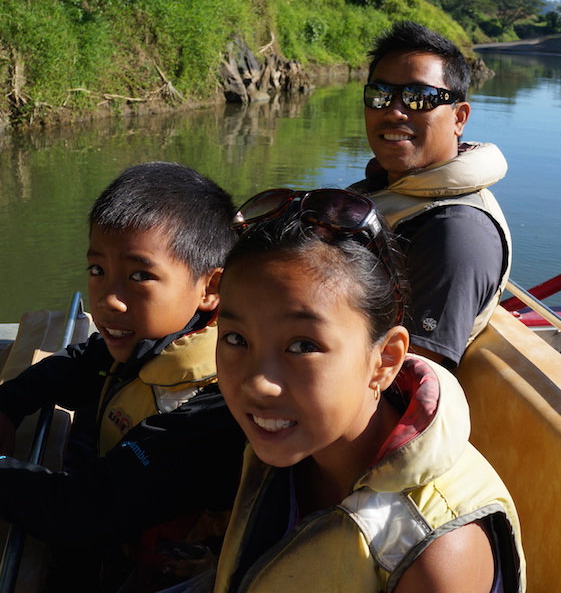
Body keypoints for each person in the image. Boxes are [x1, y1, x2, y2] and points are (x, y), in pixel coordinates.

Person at [0, 162, 247, 590]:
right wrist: (3, 406)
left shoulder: (213, 407)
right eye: (97, 270)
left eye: (141, 275)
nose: (108, 301)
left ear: (210, 288)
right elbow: (83, 359)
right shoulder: (156, 342)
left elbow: (84, 513)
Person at [209, 187, 525, 592]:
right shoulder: (294, 440)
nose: (258, 383)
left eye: (303, 346)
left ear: (385, 360)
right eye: (236, 339)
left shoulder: (436, 553)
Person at [351, 20, 512, 369]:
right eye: (380, 94)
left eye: (420, 98)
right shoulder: (389, 188)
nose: (393, 111)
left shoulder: (454, 233)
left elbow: (410, 380)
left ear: (460, 118)